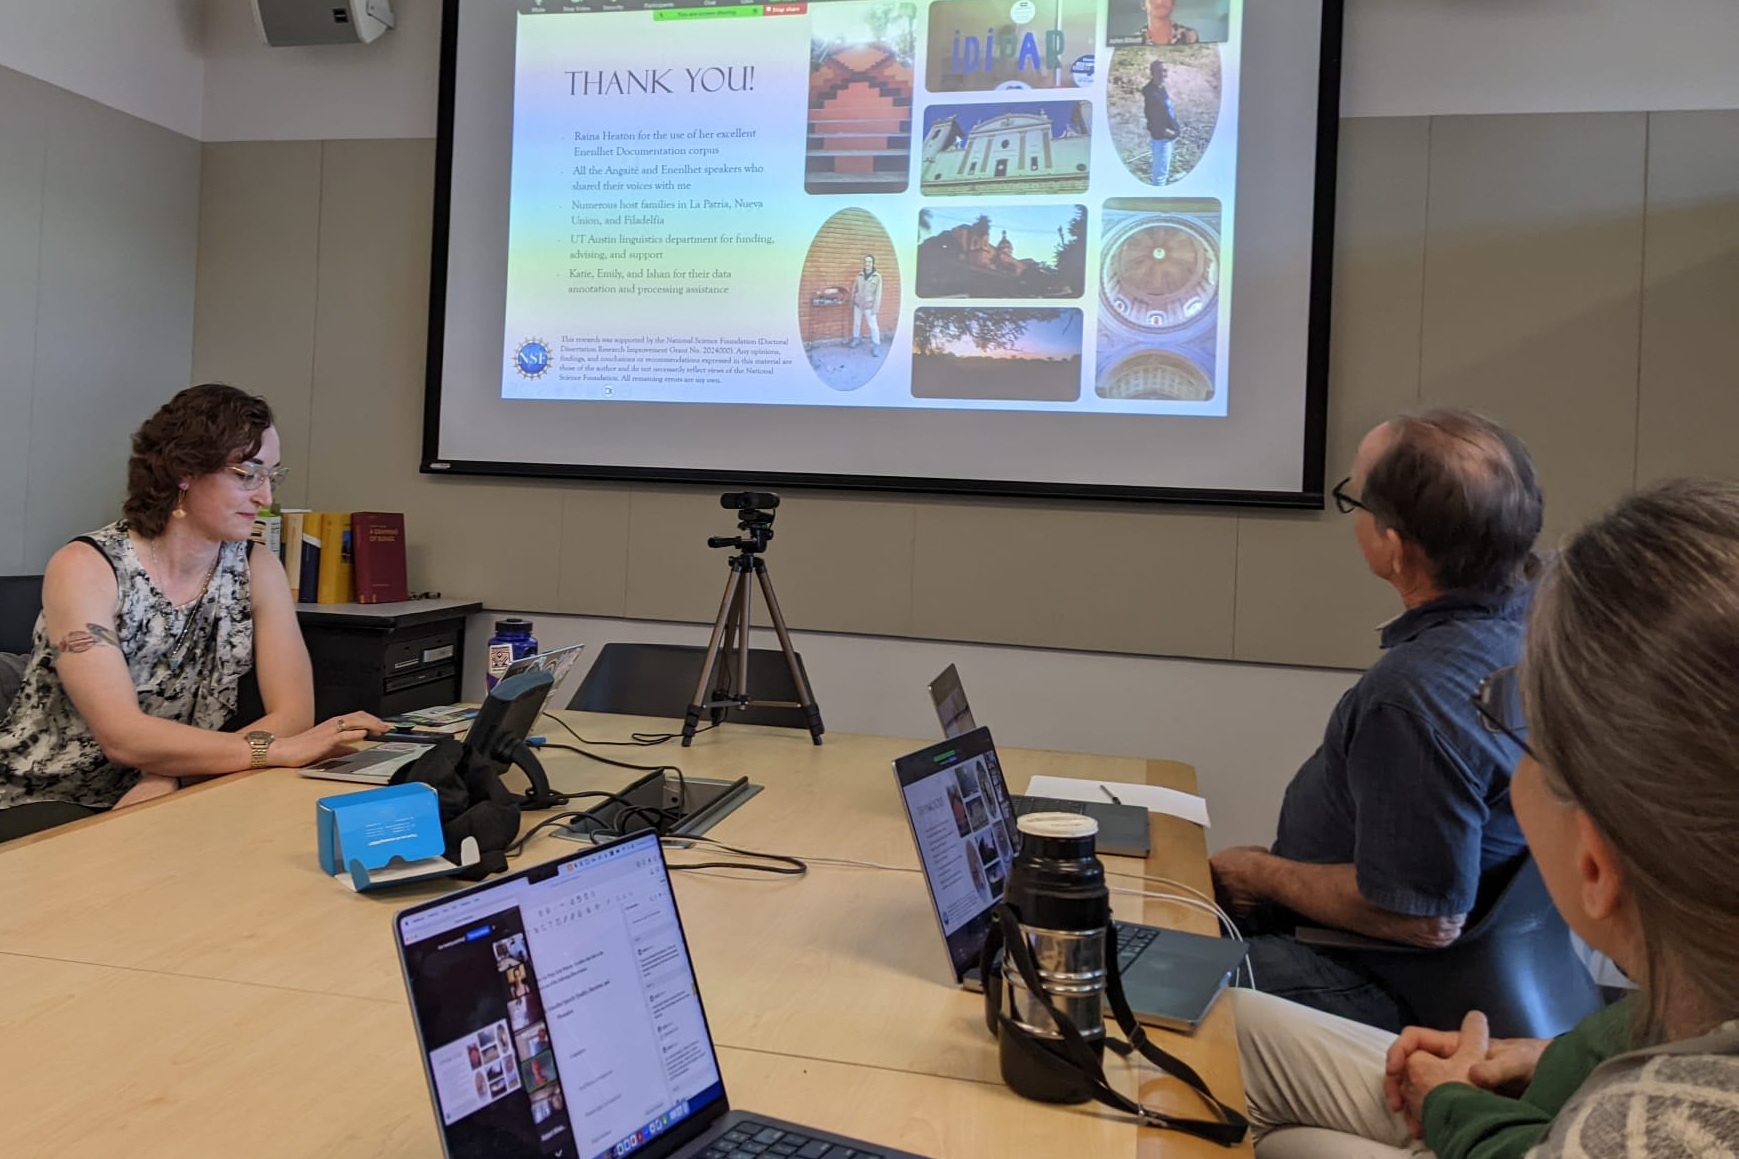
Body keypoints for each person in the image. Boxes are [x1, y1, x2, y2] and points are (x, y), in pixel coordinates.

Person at [1233, 476, 1739, 1159]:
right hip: (1521, 1075)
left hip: (1464, 1084)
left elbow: (1421, 917)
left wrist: (1449, 1100)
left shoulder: (1644, 1128)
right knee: (1274, 1114)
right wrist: (1546, 1058)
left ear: (1596, 864)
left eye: (1520, 720)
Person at [1210, 410, 1543, 1030]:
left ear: (1391, 547)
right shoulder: (1538, 627)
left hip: (1379, 979)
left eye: (1354, 499)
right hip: (1475, 967)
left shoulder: (1414, 695)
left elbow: (1421, 918)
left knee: (1107, 981)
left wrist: (1265, 874)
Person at [0, 383, 387, 839]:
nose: (265, 497)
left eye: (272, 477)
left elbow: (294, 715)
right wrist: (271, 752)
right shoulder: (85, 565)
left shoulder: (255, 565)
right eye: (248, 474)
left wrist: (174, 775)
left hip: (177, 782)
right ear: (184, 470)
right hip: (45, 796)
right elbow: (123, 737)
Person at [1142, 60, 1183, 185]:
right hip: (1162, 139)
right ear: (1152, 73)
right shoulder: (1152, 94)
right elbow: (1151, 117)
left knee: (1163, 168)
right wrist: (1166, 132)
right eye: (1159, 71)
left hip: (1167, 137)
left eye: (1165, 70)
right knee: (1160, 177)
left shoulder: (1160, 88)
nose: (1162, 74)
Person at [849, 254, 883, 357]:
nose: (867, 264)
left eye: (869, 262)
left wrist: (875, 308)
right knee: (857, 323)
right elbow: (854, 289)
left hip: (869, 305)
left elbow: (878, 294)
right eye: (866, 262)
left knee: (873, 326)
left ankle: (876, 345)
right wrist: (852, 301)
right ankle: (856, 339)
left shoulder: (877, 277)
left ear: (873, 263)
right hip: (858, 304)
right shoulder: (859, 275)